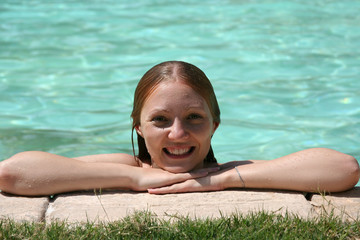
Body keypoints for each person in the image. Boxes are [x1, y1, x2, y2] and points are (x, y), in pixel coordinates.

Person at [0, 61, 359, 196]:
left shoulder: (232, 172)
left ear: (215, 125)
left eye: (194, 118)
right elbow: (13, 173)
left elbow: (344, 168)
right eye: (159, 120)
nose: (177, 134)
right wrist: (136, 180)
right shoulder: (127, 167)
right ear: (138, 127)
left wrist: (220, 180)